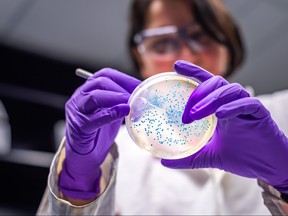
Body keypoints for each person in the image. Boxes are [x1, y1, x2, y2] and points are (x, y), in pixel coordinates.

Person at [37, 0, 288, 215]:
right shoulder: (118, 149)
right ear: (140, 58)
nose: (185, 55)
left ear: (229, 45)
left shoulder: (284, 112)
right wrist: (79, 184)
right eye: (161, 43)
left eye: (200, 36)